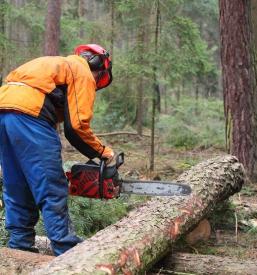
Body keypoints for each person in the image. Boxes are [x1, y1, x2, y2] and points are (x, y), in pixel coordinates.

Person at [0, 44, 114, 256]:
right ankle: (67, 249)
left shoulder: (56, 65)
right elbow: (77, 126)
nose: (95, 83)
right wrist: (103, 152)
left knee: (17, 184)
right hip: (30, 117)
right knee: (51, 185)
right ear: (99, 67)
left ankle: (19, 247)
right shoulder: (81, 70)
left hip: (3, 111)